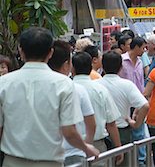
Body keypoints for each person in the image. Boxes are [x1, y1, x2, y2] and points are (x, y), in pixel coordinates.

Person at [0, 27, 99, 167]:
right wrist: (86, 147)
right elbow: (69, 132)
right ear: (50, 53)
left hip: (12, 161)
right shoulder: (64, 84)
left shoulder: (4, 84)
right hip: (49, 162)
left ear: (21, 51)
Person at [48, 40, 96, 166]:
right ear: (66, 65)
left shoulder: (36, 88)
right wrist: (87, 145)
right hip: (74, 152)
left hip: (46, 154)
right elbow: (90, 123)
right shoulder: (77, 89)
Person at [97, 51, 149, 166]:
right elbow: (145, 105)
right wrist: (136, 124)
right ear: (121, 67)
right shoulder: (127, 85)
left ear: (103, 66)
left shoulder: (96, 85)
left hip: (101, 134)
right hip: (122, 132)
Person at [72, 52, 123, 162]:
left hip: (72, 147)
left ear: (73, 69)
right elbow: (111, 123)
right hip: (97, 145)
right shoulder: (100, 90)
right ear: (91, 68)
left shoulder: (66, 89)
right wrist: (118, 147)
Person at [118, 36, 148, 165]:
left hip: (138, 102)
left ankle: (140, 161)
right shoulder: (122, 61)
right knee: (126, 133)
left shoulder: (140, 62)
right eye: (142, 48)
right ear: (135, 47)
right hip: (124, 103)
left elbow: (141, 83)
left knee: (139, 134)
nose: (144, 50)